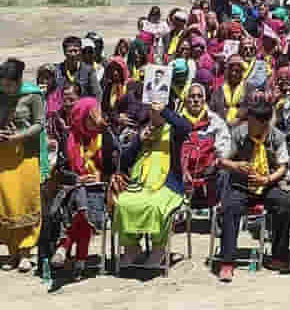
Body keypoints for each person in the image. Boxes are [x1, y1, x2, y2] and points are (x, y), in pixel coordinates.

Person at [215, 100, 290, 282]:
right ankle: (227, 261)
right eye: (248, 120)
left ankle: (278, 257)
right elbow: (221, 160)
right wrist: (236, 165)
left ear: (264, 123)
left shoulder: (277, 137)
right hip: (242, 184)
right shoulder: (239, 134)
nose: (249, 125)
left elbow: (283, 166)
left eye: (253, 122)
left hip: (267, 184)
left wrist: (267, 179)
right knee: (230, 207)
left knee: (284, 204)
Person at [0, 58, 48, 272]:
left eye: (10, 85)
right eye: (3, 83)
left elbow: (40, 124)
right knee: (6, 204)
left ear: (19, 82)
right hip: (1, 157)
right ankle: (12, 252)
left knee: (26, 202)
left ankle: (26, 251)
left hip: (26, 155)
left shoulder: (33, 95)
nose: (6, 88)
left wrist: (19, 137)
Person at [39, 96, 116, 278]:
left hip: (99, 188)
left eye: (96, 117)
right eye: (90, 118)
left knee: (83, 202)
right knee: (80, 200)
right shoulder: (69, 138)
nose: (94, 122)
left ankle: (64, 246)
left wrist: (106, 131)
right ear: (81, 117)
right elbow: (62, 169)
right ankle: (80, 259)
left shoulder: (102, 137)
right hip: (72, 190)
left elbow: (113, 165)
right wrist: (79, 179)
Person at [112, 101, 193, 269]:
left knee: (156, 206)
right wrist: (138, 141)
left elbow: (187, 127)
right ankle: (132, 247)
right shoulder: (143, 130)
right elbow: (124, 161)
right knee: (123, 202)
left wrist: (165, 111)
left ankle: (158, 248)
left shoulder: (173, 131)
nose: (153, 113)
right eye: (151, 110)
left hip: (167, 186)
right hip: (139, 184)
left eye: (157, 110)